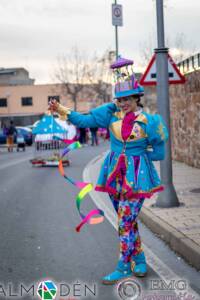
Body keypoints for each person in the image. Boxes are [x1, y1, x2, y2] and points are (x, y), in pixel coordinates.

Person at [49, 57, 168, 285]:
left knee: (124, 221)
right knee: (128, 221)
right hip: (114, 176)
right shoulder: (110, 114)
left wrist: (142, 157)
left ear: (136, 98)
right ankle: (140, 258)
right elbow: (84, 121)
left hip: (137, 178)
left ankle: (124, 265)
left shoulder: (149, 121)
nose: (123, 103)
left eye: (127, 99)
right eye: (120, 99)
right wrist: (61, 109)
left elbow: (160, 150)